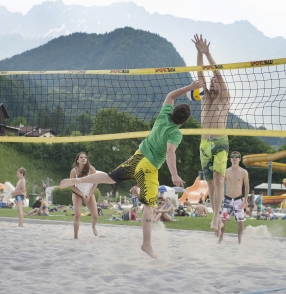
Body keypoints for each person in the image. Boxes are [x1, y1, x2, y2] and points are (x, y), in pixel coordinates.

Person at [59, 80, 203, 259]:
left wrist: (190, 88)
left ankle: (79, 180)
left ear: (172, 111)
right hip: (148, 167)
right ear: (185, 121)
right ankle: (146, 244)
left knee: (110, 178)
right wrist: (174, 173)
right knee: (149, 206)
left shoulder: (163, 116)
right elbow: (170, 151)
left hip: (138, 155)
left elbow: (170, 96)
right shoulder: (175, 132)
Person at [193, 34, 230, 235]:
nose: (214, 82)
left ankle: (216, 217)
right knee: (210, 184)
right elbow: (201, 75)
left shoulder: (225, 97)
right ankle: (216, 215)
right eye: (212, 81)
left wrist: (208, 54)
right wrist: (199, 53)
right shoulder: (205, 97)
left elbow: (217, 72)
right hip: (204, 145)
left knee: (218, 180)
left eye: (216, 81)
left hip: (220, 142)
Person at [218, 151, 249, 244]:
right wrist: (220, 198)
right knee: (223, 219)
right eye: (232, 157)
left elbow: (247, 186)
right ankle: (220, 238)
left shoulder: (243, 172)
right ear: (230, 159)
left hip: (238, 199)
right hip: (227, 198)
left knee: (240, 221)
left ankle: (240, 240)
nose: (234, 158)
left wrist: (246, 199)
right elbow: (221, 185)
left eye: (236, 157)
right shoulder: (226, 171)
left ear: (239, 159)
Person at [68, 152, 99, 239]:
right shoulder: (73, 171)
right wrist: (81, 194)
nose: (83, 159)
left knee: (95, 216)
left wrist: (89, 195)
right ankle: (76, 236)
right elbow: (72, 187)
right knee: (77, 215)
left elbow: (95, 184)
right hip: (77, 193)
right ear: (77, 161)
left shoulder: (91, 169)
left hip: (89, 192)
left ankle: (93, 227)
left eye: (85, 157)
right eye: (81, 157)